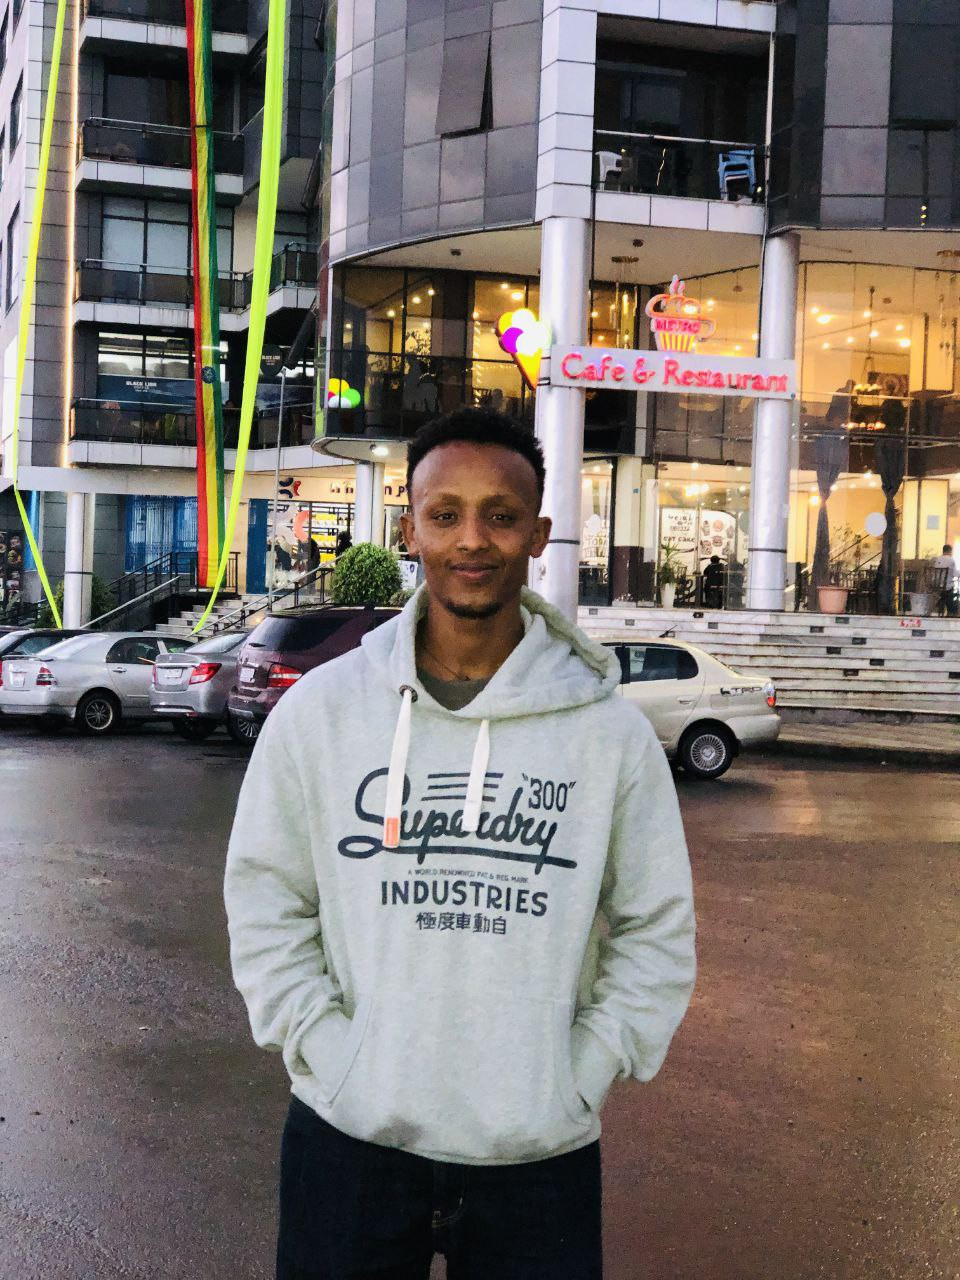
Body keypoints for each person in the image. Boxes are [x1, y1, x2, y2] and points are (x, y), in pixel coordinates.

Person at [224, 408, 696, 1280]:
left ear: (538, 535)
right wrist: (327, 1048)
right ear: (408, 529)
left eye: (500, 515)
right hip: (349, 1137)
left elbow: (655, 927)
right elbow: (265, 898)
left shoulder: (609, 735)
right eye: (445, 514)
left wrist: (582, 1072)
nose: (472, 540)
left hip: (536, 1153)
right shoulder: (322, 712)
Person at [931, 544, 958, 616]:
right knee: (951, 591)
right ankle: (951, 611)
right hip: (947, 587)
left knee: (945, 592)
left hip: (937, 586)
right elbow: (955, 574)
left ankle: (941, 603)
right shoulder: (951, 560)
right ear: (950, 551)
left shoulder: (937, 559)